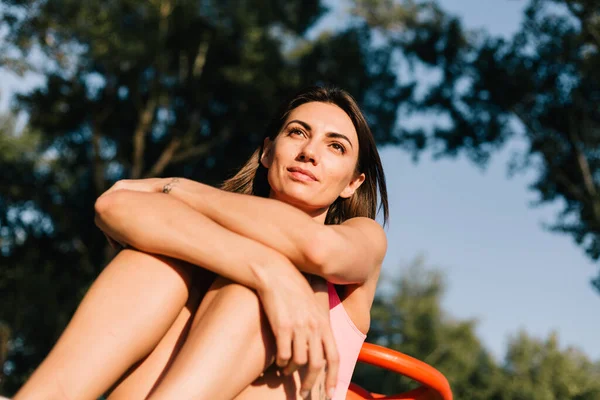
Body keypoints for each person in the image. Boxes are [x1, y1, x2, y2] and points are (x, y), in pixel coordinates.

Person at [13, 85, 389, 400]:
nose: (310, 152)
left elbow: (317, 250)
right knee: (159, 262)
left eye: (335, 146)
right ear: (266, 151)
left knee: (263, 289)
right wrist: (268, 272)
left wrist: (177, 188)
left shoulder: (363, 235)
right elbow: (112, 205)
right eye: (297, 132)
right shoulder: (210, 227)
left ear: (353, 183)